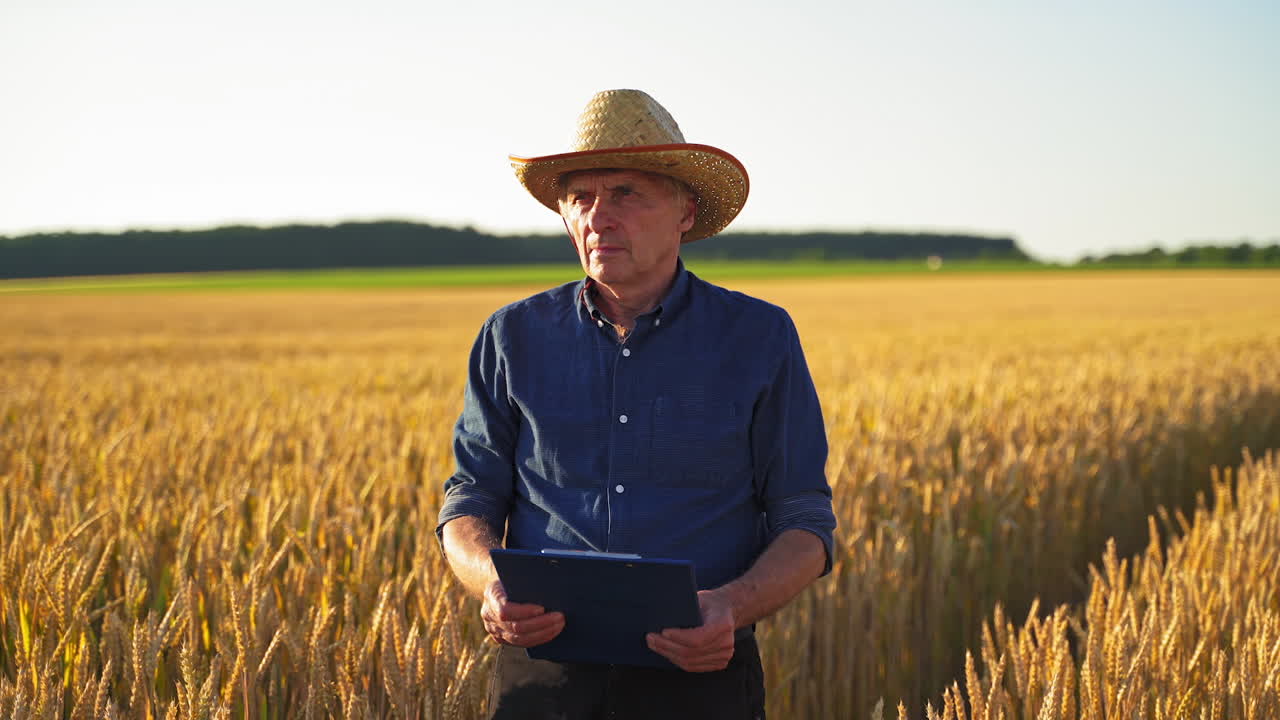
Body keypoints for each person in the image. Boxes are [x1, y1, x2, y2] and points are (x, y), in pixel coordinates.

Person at [436, 89, 837, 719]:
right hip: (542, 679)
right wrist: (491, 584)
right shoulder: (510, 337)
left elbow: (804, 519)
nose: (599, 216)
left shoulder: (759, 338)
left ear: (685, 211)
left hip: (699, 672)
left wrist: (729, 605)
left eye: (626, 193)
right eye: (580, 198)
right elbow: (470, 499)